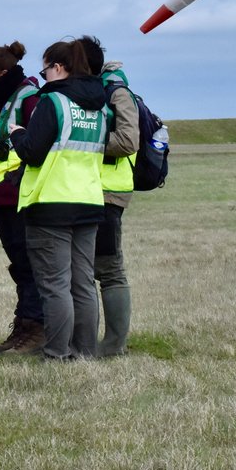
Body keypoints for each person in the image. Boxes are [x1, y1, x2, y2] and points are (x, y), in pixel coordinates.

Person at [8, 39, 109, 360]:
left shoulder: (53, 102)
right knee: (82, 284)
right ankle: (85, 351)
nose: (44, 76)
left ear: (59, 68)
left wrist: (17, 134)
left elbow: (32, 152)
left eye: (45, 69)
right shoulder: (100, 106)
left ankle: (56, 352)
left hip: (51, 202)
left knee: (54, 285)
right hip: (89, 201)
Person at [0, 41, 45, 357]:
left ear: (4, 73)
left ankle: (35, 330)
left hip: (21, 194)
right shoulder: (3, 103)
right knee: (19, 265)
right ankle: (23, 327)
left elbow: (36, 147)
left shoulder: (29, 100)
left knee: (28, 264)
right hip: (3, 193)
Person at [78, 36, 140, 356]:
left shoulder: (116, 92)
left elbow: (129, 140)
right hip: (89, 190)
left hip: (109, 193)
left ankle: (114, 344)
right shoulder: (96, 91)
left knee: (109, 269)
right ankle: (93, 342)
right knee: (88, 269)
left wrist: (86, 142)